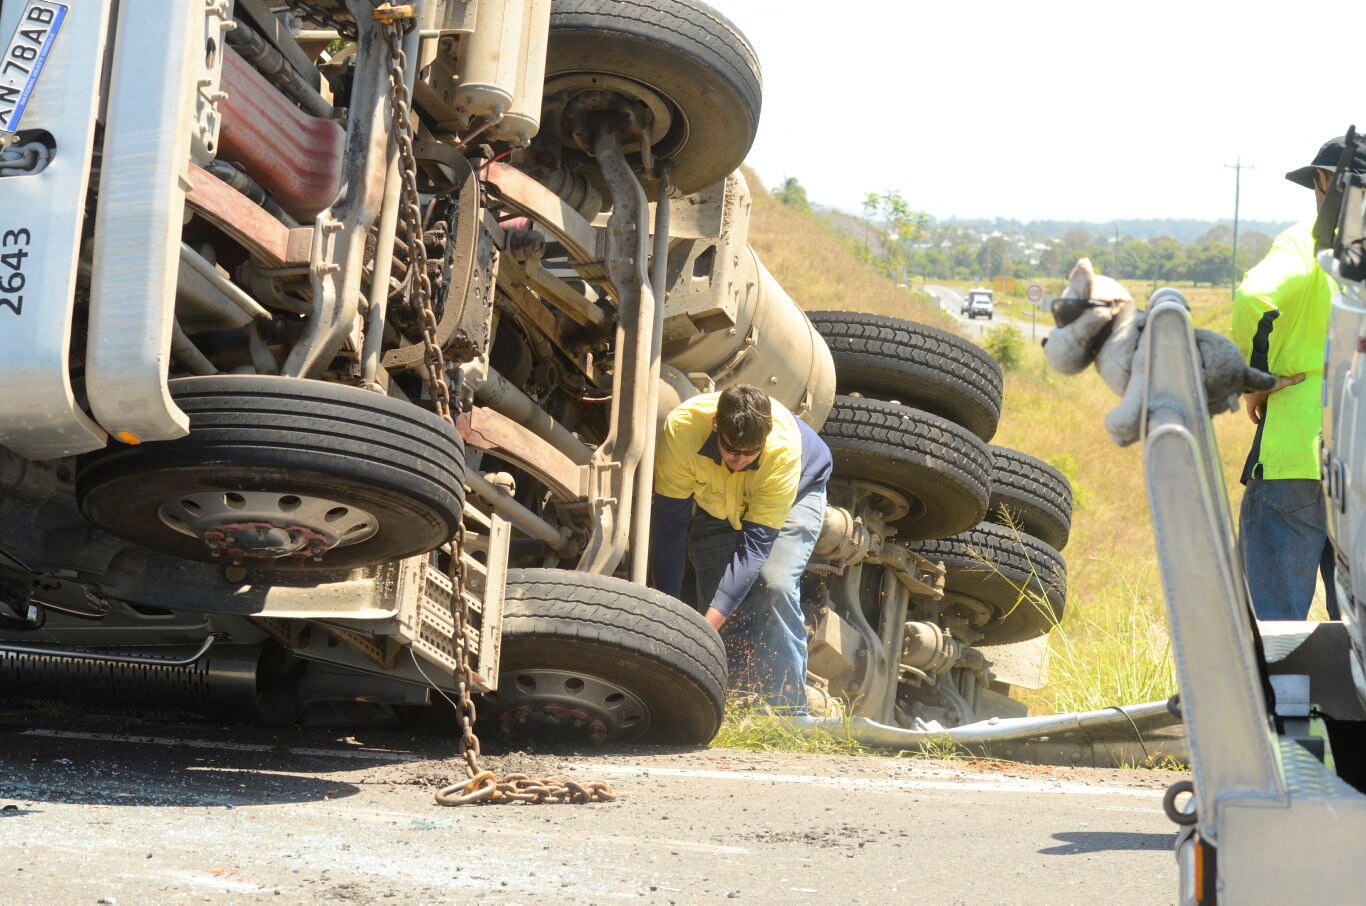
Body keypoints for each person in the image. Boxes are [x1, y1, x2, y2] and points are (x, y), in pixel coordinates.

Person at [1232, 134, 1366, 620]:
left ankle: (1282, 698)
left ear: (1327, 181)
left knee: (1274, 628)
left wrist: (1256, 379)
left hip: (1296, 451)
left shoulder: (1305, 240)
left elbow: (1253, 298)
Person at [649, 384, 832, 709]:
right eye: (732, 450)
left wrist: (704, 630)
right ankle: (727, 708)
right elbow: (670, 526)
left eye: (750, 453)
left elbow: (755, 548)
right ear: (716, 426)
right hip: (717, 502)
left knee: (774, 584)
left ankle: (787, 713)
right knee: (718, 597)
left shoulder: (782, 449)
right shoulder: (682, 429)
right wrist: (669, 612)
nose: (740, 460)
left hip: (796, 493)